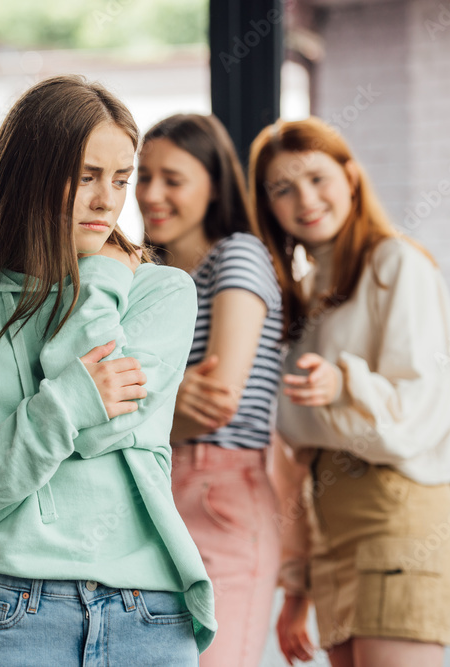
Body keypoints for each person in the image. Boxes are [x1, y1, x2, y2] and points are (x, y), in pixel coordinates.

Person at [0, 75, 217, 665]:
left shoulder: (159, 294)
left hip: (149, 611)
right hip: (16, 612)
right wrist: (69, 404)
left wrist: (101, 276)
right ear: (28, 175)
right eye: (86, 176)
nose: (109, 201)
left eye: (121, 179)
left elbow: (107, 427)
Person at [248, 117, 450, 667]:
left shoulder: (397, 265)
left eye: (317, 177)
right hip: (333, 530)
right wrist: (296, 587)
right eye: (283, 187)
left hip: (397, 516)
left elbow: (423, 410)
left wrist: (344, 382)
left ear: (350, 176)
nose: (305, 199)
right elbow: (299, 460)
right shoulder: (305, 295)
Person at [136, 113, 284, 667]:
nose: (151, 193)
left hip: (218, 489)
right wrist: (166, 407)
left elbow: (218, 400)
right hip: (151, 490)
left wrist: (148, 407)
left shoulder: (238, 254)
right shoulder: (148, 278)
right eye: (143, 176)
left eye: (173, 179)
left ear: (215, 183)